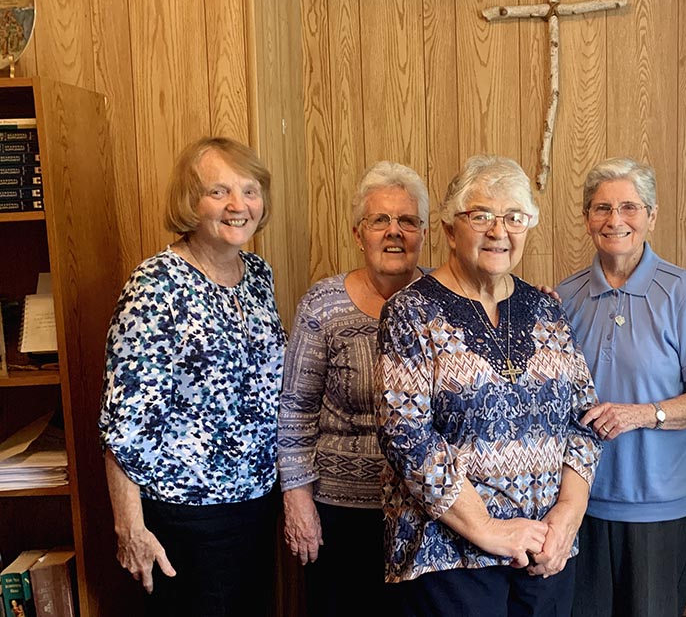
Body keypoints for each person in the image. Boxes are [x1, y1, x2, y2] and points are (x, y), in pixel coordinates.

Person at [376, 155, 603, 616]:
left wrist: (566, 519)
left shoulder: (546, 309)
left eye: (514, 218)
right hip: (448, 558)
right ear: (450, 228)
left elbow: (585, 419)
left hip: (545, 552)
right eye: (481, 215)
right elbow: (405, 435)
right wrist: (488, 529)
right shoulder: (411, 312)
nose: (499, 231)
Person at [99, 137, 285, 617]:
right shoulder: (155, 287)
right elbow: (123, 423)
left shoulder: (257, 275)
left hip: (258, 504)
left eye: (249, 190)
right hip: (186, 517)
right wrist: (130, 529)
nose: (238, 206)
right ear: (189, 202)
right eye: (218, 191)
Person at [556, 157, 686, 617]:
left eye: (629, 207)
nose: (615, 220)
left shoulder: (682, 291)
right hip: (578, 505)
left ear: (652, 215)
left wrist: (642, 413)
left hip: (658, 509)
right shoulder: (563, 297)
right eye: (601, 208)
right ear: (587, 218)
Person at [277, 161, 429, 615]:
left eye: (407, 220)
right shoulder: (323, 305)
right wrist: (298, 499)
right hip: (339, 511)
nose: (393, 231)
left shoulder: (444, 301)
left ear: (424, 233)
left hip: (425, 509)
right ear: (357, 233)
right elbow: (294, 409)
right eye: (379, 220)